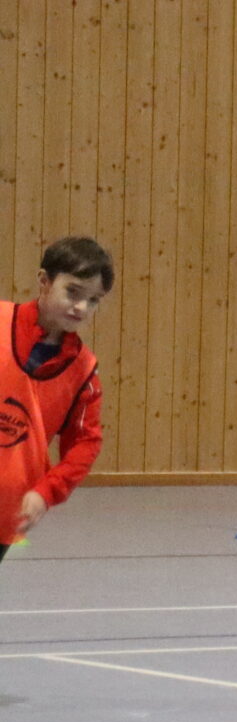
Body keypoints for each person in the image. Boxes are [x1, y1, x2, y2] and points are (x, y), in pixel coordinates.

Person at [0, 237, 110, 554]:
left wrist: (47, 491)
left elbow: (85, 443)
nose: (81, 307)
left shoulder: (83, 371)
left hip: (7, 509)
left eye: (93, 300)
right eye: (73, 292)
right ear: (44, 281)